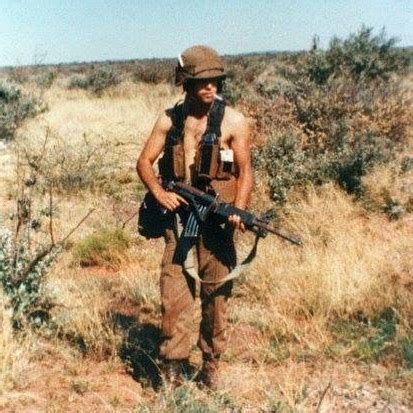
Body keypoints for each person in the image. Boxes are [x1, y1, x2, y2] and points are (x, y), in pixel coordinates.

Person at [136, 45, 253, 389]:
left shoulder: (234, 121)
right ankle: (172, 366)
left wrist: (240, 210)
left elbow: (246, 172)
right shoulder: (169, 120)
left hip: (216, 223)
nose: (210, 87)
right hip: (178, 221)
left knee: (216, 297)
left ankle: (211, 367)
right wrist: (160, 193)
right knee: (175, 295)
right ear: (185, 83)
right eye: (202, 82)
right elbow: (144, 162)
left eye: (215, 81)